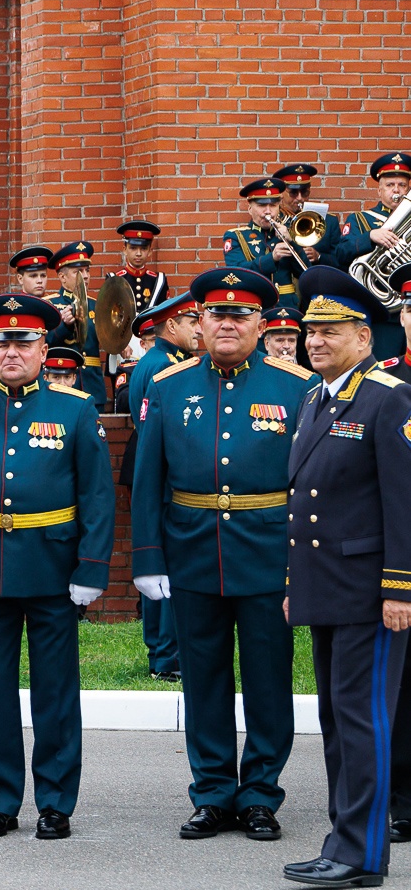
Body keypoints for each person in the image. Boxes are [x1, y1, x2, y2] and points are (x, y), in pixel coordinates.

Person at [131, 268, 313, 843]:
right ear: (199, 322)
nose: (227, 324)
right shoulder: (169, 386)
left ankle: (259, 794)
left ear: (260, 324)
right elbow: (148, 479)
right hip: (192, 552)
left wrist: (304, 563)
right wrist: (148, 557)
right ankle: (211, 792)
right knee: (203, 679)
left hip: (269, 554)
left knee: (268, 679)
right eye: (216, 314)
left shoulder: (298, 387)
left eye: (240, 315)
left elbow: (310, 485)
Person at [0, 294, 114, 840]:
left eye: (24, 343)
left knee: (56, 691)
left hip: (54, 569)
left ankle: (55, 802)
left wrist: (91, 568)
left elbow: (97, 497)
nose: (12, 352)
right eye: (3, 343)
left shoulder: (74, 409)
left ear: (43, 350)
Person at [282, 265, 411, 888]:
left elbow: (403, 501)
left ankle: (362, 854)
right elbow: (305, 500)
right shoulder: (316, 398)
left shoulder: (388, 398)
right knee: (336, 719)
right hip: (324, 584)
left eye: (330, 331)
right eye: (311, 332)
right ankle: (343, 838)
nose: (316, 342)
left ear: (364, 337)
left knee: (364, 720)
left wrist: (400, 586)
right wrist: (294, 582)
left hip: (369, 591)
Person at [121, 292, 200, 679]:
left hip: (160, 479)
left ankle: (160, 650)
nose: (199, 329)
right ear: (172, 326)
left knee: (161, 573)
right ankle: (168, 658)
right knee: (170, 574)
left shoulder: (156, 361)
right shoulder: (166, 367)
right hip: (170, 483)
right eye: (192, 322)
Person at [379, 266, 411, 844]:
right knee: (403, 686)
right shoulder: (384, 384)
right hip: (400, 551)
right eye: (410, 307)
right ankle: (405, 799)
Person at [330, 153, 411, 362]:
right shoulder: (361, 219)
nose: (396, 190)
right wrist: (370, 237)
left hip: (409, 304)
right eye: (390, 185)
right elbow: (340, 254)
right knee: (383, 368)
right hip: (382, 313)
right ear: (379, 190)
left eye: (402, 185)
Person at [224, 176, 305, 307]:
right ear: (250, 209)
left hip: (287, 307)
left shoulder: (288, 233)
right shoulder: (236, 236)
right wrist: (271, 258)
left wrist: (292, 242)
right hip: (256, 307)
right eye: (262, 205)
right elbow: (236, 273)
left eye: (273, 205)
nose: (268, 211)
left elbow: (306, 273)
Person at [45, 241, 106, 410]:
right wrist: (64, 326)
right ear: (62, 277)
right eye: (78, 272)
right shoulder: (50, 305)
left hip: (92, 386)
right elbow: (42, 344)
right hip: (61, 383)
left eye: (87, 270)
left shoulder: (97, 306)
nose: (85, 276)